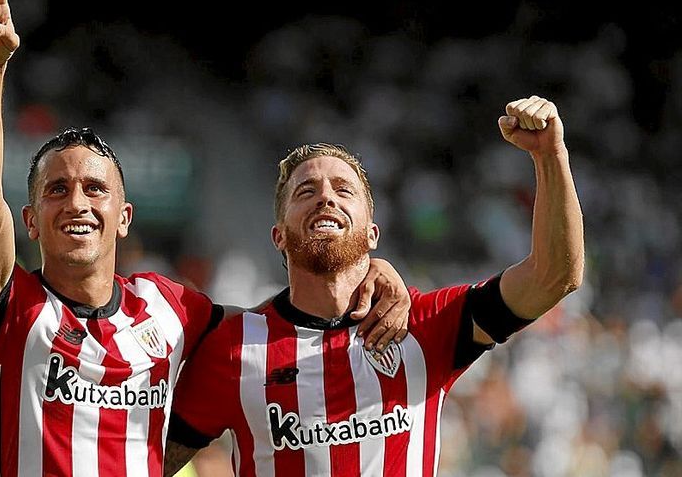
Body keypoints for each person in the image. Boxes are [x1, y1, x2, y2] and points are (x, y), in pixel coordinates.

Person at [0, 0, 411, 476]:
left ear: (124, 217)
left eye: (94, 188)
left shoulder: (167, 307)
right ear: (30, 222)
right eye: (57, 190)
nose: (77, 202)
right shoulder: (8, 309)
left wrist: (366, 269)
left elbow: (286, 322)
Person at [163, 96, 585, 476]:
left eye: (343, 190)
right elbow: (148, 461)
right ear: (279, 236)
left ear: (372, 233)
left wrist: (550, 156)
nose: (325, 197)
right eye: (305, 191)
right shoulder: (233, 349)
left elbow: (555, 276)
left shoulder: (426, 323)